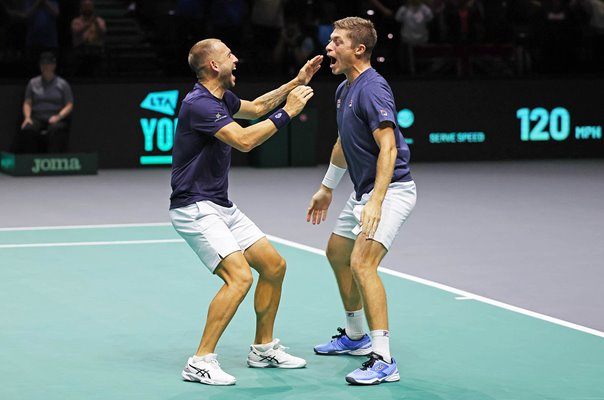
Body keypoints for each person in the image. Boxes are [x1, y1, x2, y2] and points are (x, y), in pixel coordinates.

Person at [169, 38, 322, 386]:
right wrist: (289, 112)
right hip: (195, 205)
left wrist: (296, 83)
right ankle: (200, 360)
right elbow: (245, 140)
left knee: (273, 266)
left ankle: (263, 347)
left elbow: (254, 108)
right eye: (229, 56)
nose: (236, 59)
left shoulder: (221, 98)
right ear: (213, 66)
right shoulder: (199, 104)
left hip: (221, 204)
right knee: (239, 277)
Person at [306, 17, 417, 385]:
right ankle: (356, 336)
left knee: (362, 263)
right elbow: (343, 144)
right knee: (337, 253)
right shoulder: (344, 89)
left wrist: (377, 201)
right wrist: (327, 187)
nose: (328, 48)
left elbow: (388, 145)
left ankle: (384, 359)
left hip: (391, 191)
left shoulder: (373, 89)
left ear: (358, 49)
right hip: (363, 193)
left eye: (336, 42)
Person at [13, 51, 73, 154]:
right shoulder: (33, 83)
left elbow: (69, 104)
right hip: (37, 117)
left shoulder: (62, 84)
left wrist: (59, 116)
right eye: (43, 64)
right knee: (28, 129)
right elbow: (27, 102)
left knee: (56, 129)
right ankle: (31, 160)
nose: (45, 67)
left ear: (53, 66)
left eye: (48, 64)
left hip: (55, 117)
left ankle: (52, 160)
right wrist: (27, 118)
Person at [71, 0, 106, 76]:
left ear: (93, 8)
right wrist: (88, 23)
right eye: (85, 6)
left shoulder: (100, 21)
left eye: (89, 6)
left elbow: (103, 33)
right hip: (80, 51)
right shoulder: (76, 21)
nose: (87, 9)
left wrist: (95, 23)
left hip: (96, 50)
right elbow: (76, 32)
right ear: (81, 8)